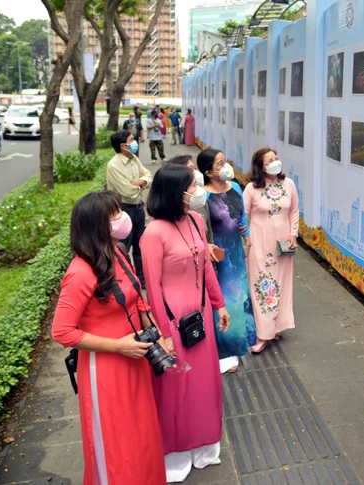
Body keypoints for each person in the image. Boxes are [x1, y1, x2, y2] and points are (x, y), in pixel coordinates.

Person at [51, 191, 167, 485]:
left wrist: (158, 334)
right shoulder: (80, 272)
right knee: (117, 445)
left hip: (134, 357)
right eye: (114, 215)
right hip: (105, 370)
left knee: (142, 435)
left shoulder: (117, 252)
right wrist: (119, 346)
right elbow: (62, 331)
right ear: (96, 226)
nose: (122, 218)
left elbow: (137, 299)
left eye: (119, 212)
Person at [140, 164, 231, 483]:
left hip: (202, 313)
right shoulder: (152, 234)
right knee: (177, 387)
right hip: (173, 319)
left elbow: (206, 265)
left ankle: (204, 448)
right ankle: (176, 455)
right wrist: (163, 333)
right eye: (192, 186)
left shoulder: (194, 219)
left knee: (205, 384)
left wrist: (219, 304)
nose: (198, 190)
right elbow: (152, 287)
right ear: (175, 192)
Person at [197, 149, 256, 373]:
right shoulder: (203, 196)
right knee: (222, 300)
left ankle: (238, 344)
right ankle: (224, 352)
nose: (226, 166)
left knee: (240, 297)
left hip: (236, 252)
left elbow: (242, 218)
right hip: (218, 256)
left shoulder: (236, 188)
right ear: (209, 172)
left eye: (225, 161)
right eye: (220, 163)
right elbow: (201, 227)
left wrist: (247, 242)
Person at [242, 148, 299, 354]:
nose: (275, 162)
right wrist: (245, 240)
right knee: (262, 287)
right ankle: (263, 334)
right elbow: (243, 215)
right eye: (270, 160)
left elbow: (294, 211)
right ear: (261, 166)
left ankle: (276, 327)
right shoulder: (251, 189)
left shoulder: (289, 184)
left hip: (283, 245)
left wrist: (293, 234)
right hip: (260, 244)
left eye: (276, 158)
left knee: (282, 285)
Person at [105, 130, 152, 287]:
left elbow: (149, 176)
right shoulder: (113, 165)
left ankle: (141, 278)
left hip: (139, 207)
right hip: (123, 210)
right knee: (124, 246)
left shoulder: (133, 158)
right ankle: (126, 280)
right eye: (131, 140)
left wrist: (141, 182)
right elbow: (128, 192)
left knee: (140, 244)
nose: (135, 142)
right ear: (123, 146)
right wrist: (141, 183)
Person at [164, 155, 214, 249]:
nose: (196, 173)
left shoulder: (201, 204)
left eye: (195, 168)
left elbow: (209, 238)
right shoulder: (164, 221)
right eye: (191, 169)